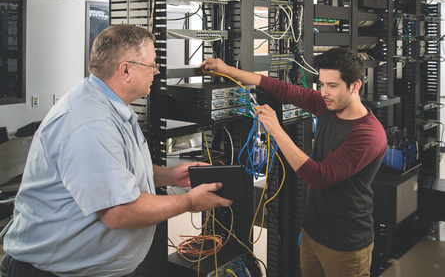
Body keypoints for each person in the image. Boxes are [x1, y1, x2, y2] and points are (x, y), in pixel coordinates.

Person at [1, 24, 232, 277]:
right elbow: (119, 212)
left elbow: (116, 171)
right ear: (125, 70)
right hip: (51, 272)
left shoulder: (110, 106)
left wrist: (169, 176)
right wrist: (189, 201)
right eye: (152, 65)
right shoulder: (90, 121)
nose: (156, 72)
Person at [200, 47, 387, 277]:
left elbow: (319, 177)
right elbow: (282, 89)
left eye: (333, 85)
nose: (324, 92)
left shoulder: (368, 134)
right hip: (312, 232)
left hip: (345, 242)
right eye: (321, 84)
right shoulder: (326, 105)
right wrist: (228, 70)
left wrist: (276, 130)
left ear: (356, 86)